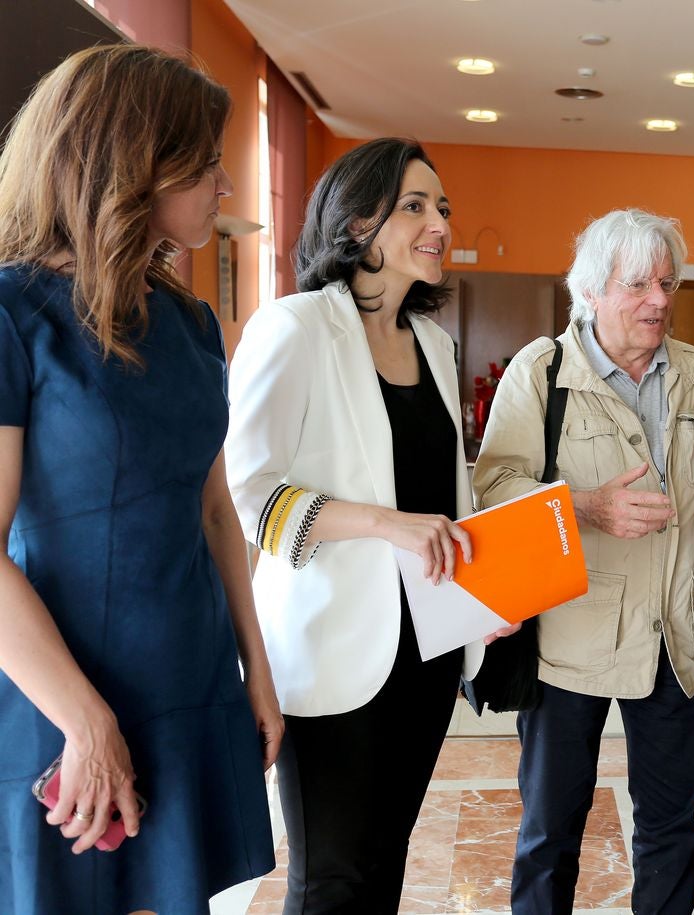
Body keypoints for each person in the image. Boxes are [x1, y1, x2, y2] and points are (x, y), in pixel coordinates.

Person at [0, 44, 279, 913]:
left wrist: (256, 671)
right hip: (58, 699)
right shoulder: (14, 315)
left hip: (188, 683)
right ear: (129, 168)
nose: (224, 188)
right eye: (203, 166)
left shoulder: (194, 323)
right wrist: (88, 720)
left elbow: (215, 509)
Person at [224, 138, 508, 912]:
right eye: (413, 206)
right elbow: (248, 494)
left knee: (384, 864)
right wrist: (386, 525)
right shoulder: (296, 327)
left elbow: (447, 499)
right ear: (356, 224)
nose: (439, 222)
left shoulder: (436, 344)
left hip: (425, 654)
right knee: (331, 881)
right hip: (331, 657)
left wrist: (484, 603)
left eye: (442, 207)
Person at [473, 208, 694, 914]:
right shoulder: (539, 373)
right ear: (591, 291)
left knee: (670, 827)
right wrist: (584, 507)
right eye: (638, 284)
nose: (660, 299)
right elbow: (496, 489)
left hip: (676, 637)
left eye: (667, 282)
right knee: (551, 830)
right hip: (570, 639)